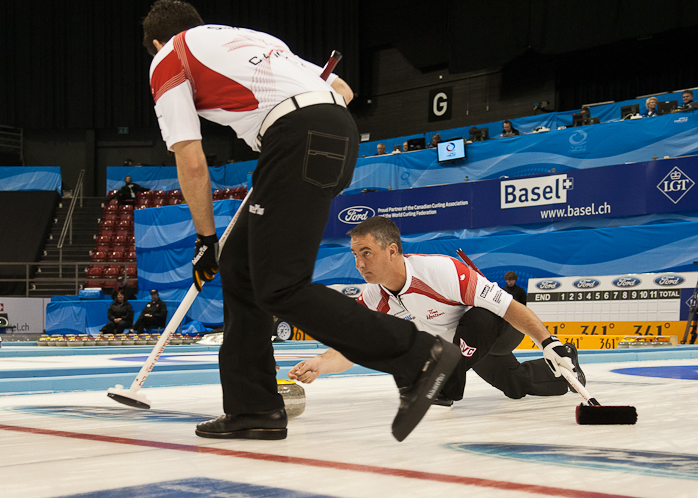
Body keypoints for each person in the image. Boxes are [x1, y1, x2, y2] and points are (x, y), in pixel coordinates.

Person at [143, 0, 472, 443]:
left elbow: (190, 156)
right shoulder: (252, 39)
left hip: (294, 138)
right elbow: (343, 89)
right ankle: (253, 408)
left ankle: (421, 356)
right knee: (241, 271)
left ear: (157, 42)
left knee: (280, 285)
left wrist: (205, 238)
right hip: (335, 129)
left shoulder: (168, 57)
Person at [288, 217, 584, 407]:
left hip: (499, 330)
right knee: (516, 386)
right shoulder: (375, 295)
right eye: (355, 254)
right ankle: (570, 371)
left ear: (392, 251)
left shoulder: (442, 271)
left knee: (478, 317)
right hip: (464, 347)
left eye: (366, 253)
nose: (359, 264)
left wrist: (549, 343)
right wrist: (320, 363)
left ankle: (444, 386)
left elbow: (508, 306)